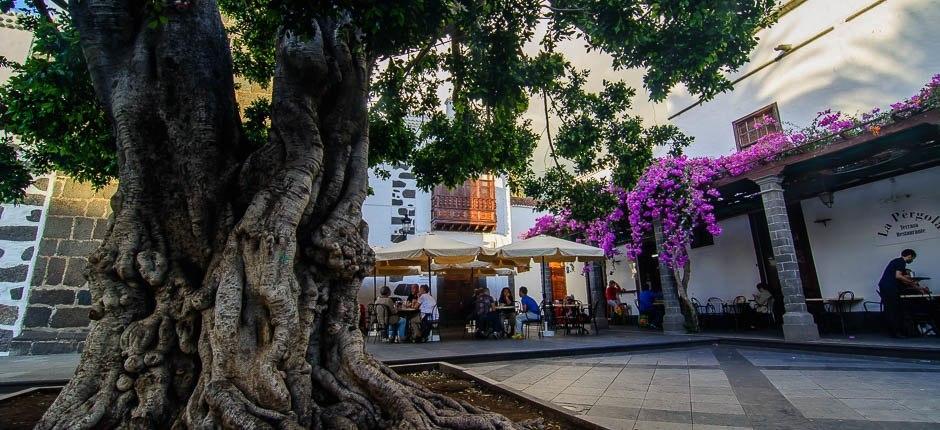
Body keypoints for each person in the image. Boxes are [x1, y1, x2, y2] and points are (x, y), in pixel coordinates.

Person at [878, 249, 918, 338]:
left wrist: (917, 286)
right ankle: (896, 332)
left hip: (885, 287)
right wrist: (912, 283)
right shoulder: (901, 262)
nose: (912, 260)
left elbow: (901, 277)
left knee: (890, 309)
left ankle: (893, 332)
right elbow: (898, 276)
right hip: (890, 288)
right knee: (894, 309)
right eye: (912, 258)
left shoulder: (895, 262)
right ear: (909, 256)